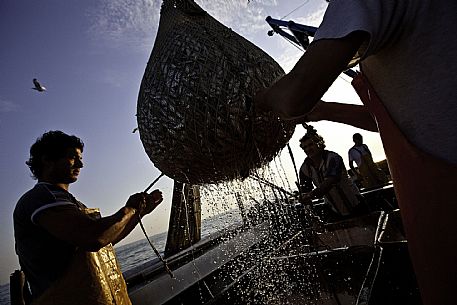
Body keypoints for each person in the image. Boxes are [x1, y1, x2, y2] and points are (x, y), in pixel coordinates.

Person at [254, 1, 457, 304]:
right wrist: (322, 110)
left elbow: (291, 97)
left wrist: (250, 104)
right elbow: (391, 120)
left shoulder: (334, 159)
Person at [13, 131, 163, 305]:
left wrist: (139, 213)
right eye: (72, 157)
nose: (80, 164)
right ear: (47, 160)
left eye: (80, 158)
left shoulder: (71, 203)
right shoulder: (41, 198)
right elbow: (94, 237)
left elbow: (106, 242)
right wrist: (130, 209)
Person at [298, 126, 366, 221]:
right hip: (334, 210)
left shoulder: (333, 158)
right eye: (305, 147)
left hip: (356, 204)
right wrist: (305, 199)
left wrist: (312, 194)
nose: (308, 149)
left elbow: (331, 181)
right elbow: (305, 190)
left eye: (311, 145)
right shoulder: (304, 169)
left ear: (320, 144)